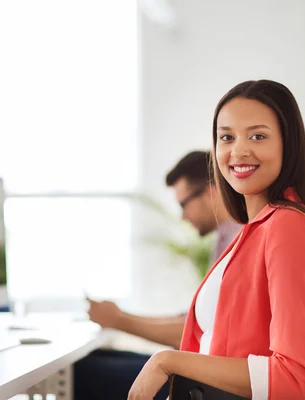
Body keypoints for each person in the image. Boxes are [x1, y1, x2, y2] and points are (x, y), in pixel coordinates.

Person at [127, 80, 305, 400]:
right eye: (227, 137)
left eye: (258, 136)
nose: (238, 150)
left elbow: (294, 379)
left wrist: (167, 361)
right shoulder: (253, 229)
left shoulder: (289, 227)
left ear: (288, 143)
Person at [73, 150, 242, 400]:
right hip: (202, 370)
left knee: (81, 372)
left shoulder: (237, 242)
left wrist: (118, 319)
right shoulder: (224, 239)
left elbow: (199, 333)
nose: (182, 216)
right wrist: (118, 316)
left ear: (210, 192)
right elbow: (194, 323)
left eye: (183, 204)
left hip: (208, 382)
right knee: (90, 361)